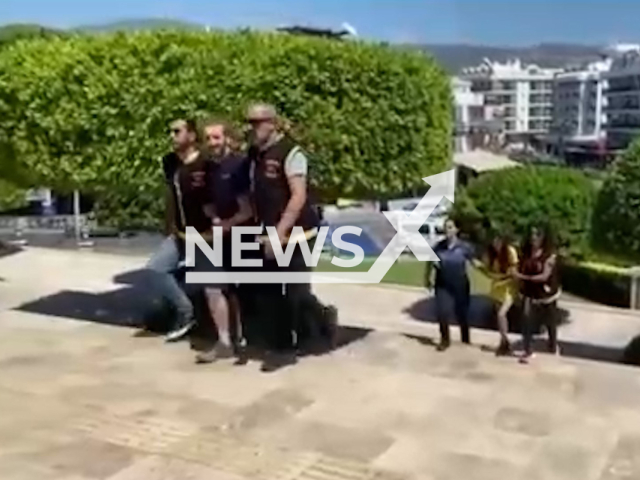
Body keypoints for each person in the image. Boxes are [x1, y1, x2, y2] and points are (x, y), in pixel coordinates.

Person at [246, 103, 338, 372]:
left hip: (299, 233)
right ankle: (287, 341)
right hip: (268, 232)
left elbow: (298, 195)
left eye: (258, 121)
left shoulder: (291, 153)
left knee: (294, 292)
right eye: (250, 122)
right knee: (272, 291)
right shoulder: (254, 154)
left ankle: (291, 345)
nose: (253, 127)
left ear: (272, 123)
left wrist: (280, 231)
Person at [145, 118, 215, 342]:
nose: (172, 136)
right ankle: (185, 312)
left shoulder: (207, 163)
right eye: (171, 132)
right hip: (181, 233)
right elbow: (172, 197)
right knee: (156, 269)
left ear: (192, 136)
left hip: (207, 234)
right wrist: (170, 226)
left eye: (177, 131)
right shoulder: (170, 162)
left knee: (215, 285)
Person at [194, 119, 254, 364]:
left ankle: (244, 341)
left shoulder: (239, 166)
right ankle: (224, 341)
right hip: (219, 235)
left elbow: (247, 210)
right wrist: (212, 217)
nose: (212, 143)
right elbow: (207, 202)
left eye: (216, 137)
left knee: (242, 289)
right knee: (211, 285)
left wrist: (225, 225)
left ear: (227, 138)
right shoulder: (208, 168)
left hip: (242, 234)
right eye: (208, 138)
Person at [514, 226, 561, 364]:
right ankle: (527, 350)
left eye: (537, 235)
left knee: (550, 322)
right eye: (532, 234)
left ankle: (552, 344)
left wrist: (521, 277)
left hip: (546, 294)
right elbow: (518, 268)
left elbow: (544, 276)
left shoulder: (550, 256)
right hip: (529, 293)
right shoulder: (525, 254)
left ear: (543, 238)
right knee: (526, 319)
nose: (534, 238)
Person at [430, 218, 475, 351]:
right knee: (442, 312)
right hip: (442, 284)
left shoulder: (465, 247)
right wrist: (427, 278)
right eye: (445, 227)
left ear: (456, 230)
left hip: (460, 284)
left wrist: (490, 273)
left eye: (450, 227)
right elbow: (430, 262)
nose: (447, 230)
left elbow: (474, 263)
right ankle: (445, 340)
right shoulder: (438, 246)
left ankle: (465, 339)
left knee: (462, 314)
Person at [474, 232, 519, 356]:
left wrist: (499, 278)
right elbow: (488, 272)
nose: (496, 243)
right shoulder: (490, 253)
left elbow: (513, 274)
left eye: (498, 240)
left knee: (501, 314)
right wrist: (479, 268)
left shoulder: (510, 251)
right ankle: (504, 342)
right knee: (500, 318)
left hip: (508, 288)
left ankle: (505, 342)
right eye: (494, 240)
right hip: (496, 288)